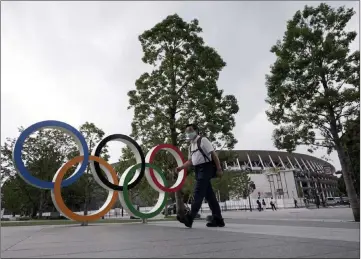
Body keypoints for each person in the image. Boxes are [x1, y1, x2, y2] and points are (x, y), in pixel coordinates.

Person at [175, 124, 225, 228]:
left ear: (196, 131)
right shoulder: (190, 146)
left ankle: (189, 218)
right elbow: (190, 161)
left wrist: (219, 168)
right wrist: (181, 167)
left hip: (206, 168)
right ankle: (218, 219)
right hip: (198, 170)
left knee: (198, 192)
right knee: (209, 196)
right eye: (187, 132)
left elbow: (213, 155)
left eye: (190, 130)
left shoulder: (203, 140)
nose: (188, 133)